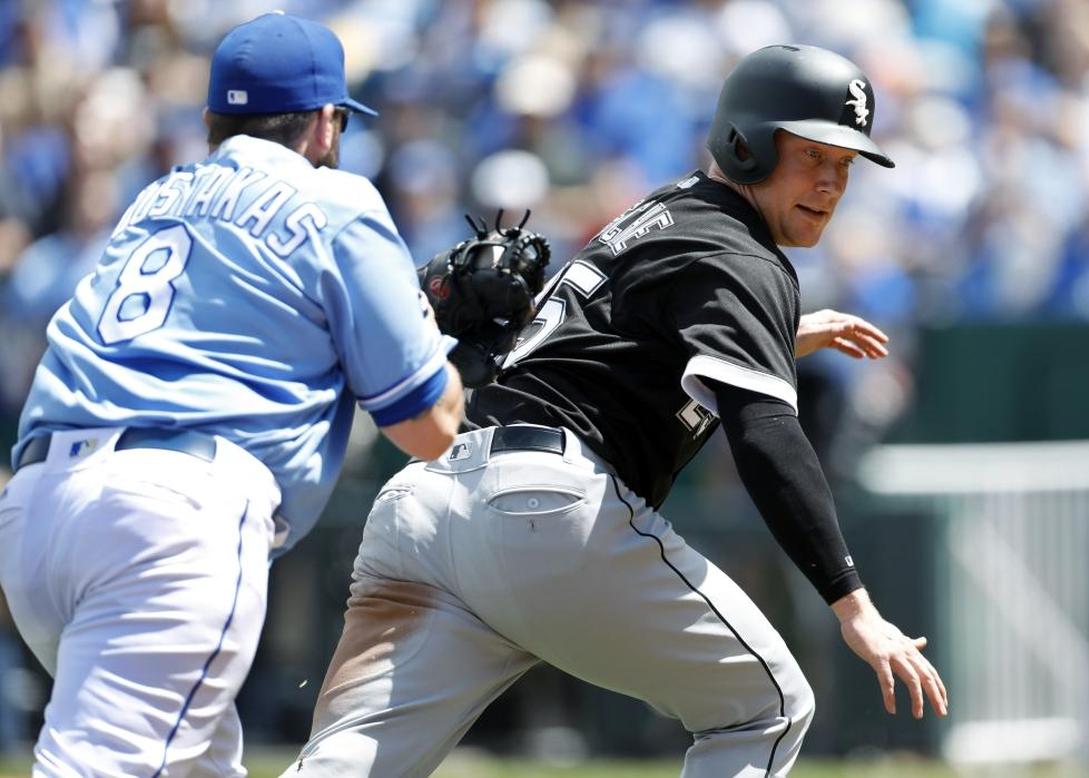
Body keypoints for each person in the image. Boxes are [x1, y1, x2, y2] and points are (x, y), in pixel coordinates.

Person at [287, 44, 948, 777]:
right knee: (767, 709)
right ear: (747, 143)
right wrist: (853, 606)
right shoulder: (744, 254)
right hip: (542, 508)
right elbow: (765, 433)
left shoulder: (663, 213)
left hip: (426, 505)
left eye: (846, 165)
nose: (830, 183)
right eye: (812, 155)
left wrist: (779, 337)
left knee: (346, 766)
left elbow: (634, 347)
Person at [0, 11, 465, 776]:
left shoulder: (153, 199)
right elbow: (427, 426)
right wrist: (450, 342)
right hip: (169, 521)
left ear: (215, 117)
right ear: (323, 123)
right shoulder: (337, 200)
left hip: (39, 513)